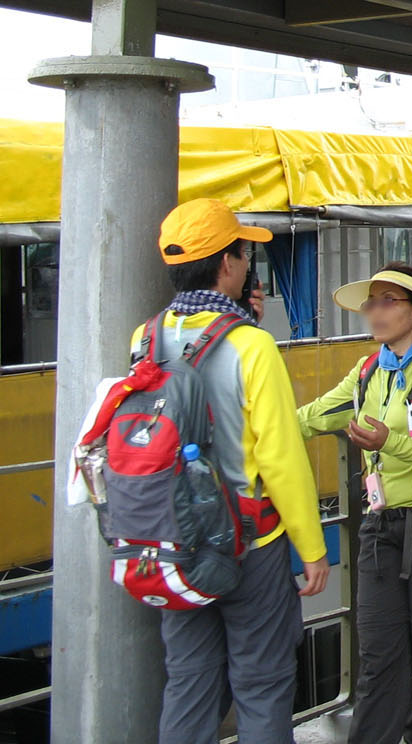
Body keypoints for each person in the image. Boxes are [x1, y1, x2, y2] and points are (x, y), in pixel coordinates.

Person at [139, 200, 327, 744]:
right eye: (244, 252)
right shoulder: (251, 345)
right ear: (227, 263)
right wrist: (311, 547)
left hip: (175, 542)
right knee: (262, 685)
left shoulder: (146, 338)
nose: (248, 263)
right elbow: (280, 457)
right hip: (250, 542)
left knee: (189, 684)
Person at [299, 262, 412, 744]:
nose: (375, 311)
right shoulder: (367, 371)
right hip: (381, 530)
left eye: (388, 301)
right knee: (377, 657)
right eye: (371, 302)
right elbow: (315, 416)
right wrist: (250, 434)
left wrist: (390, 441)